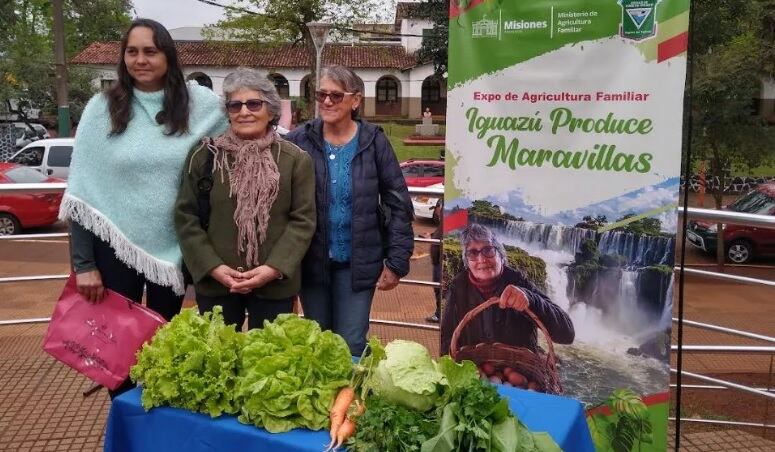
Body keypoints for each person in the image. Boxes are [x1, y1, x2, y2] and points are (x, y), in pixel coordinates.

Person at [59, 19, 227, 394]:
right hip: (113, 247)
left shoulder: (200, 104)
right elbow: (82, 194)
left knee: (162, 347)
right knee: (116, 352)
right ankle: (127, 425)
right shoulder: (101, 109)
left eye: (150, 51)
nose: (140, 60)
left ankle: (156, 423)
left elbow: (251, 116)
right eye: (132, 52)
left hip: (175, 250)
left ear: (167, 54)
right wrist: (84, 265)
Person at [286, 65, 414, 356]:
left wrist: (396, 261)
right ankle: (324, 401)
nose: (327, 102)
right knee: (317, 342)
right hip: (311, 262)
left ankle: (352, 400)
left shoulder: (373, 141)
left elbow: (397, 202)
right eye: (321, 95)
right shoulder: (298, 142)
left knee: (352, 342)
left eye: (335, 95)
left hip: (358, 263)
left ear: (355, 101)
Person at [175, 67, 316, 331]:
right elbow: (186, 218)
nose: (244, 111)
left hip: (274, 284)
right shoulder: (204, 156)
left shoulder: (295, 160)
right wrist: (213, 267)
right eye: (235, 105)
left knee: (268, 362)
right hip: (217, 284)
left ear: (271, 110)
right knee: (217, 360)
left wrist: (273, 268)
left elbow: (302, 220)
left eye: (254, 104)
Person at [440, 223, 574, 356]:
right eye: (472, 253)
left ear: (501, 255)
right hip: (475, 370)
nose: (482, 259)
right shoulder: (458, 287)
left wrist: (531, 300)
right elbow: (445, 340)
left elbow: (567, 334)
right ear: (467, 262)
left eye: (488, 250)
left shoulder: (517, 282)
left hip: (522, 369)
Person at [422, 199, 443, 323]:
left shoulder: (453, 207)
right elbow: (441, 228)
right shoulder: (444, 199)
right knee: (437, 287)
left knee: (440, 287)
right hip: (437, 255)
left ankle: (441, 315)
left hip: (441, 257)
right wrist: (432, 235)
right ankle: (439, 313)